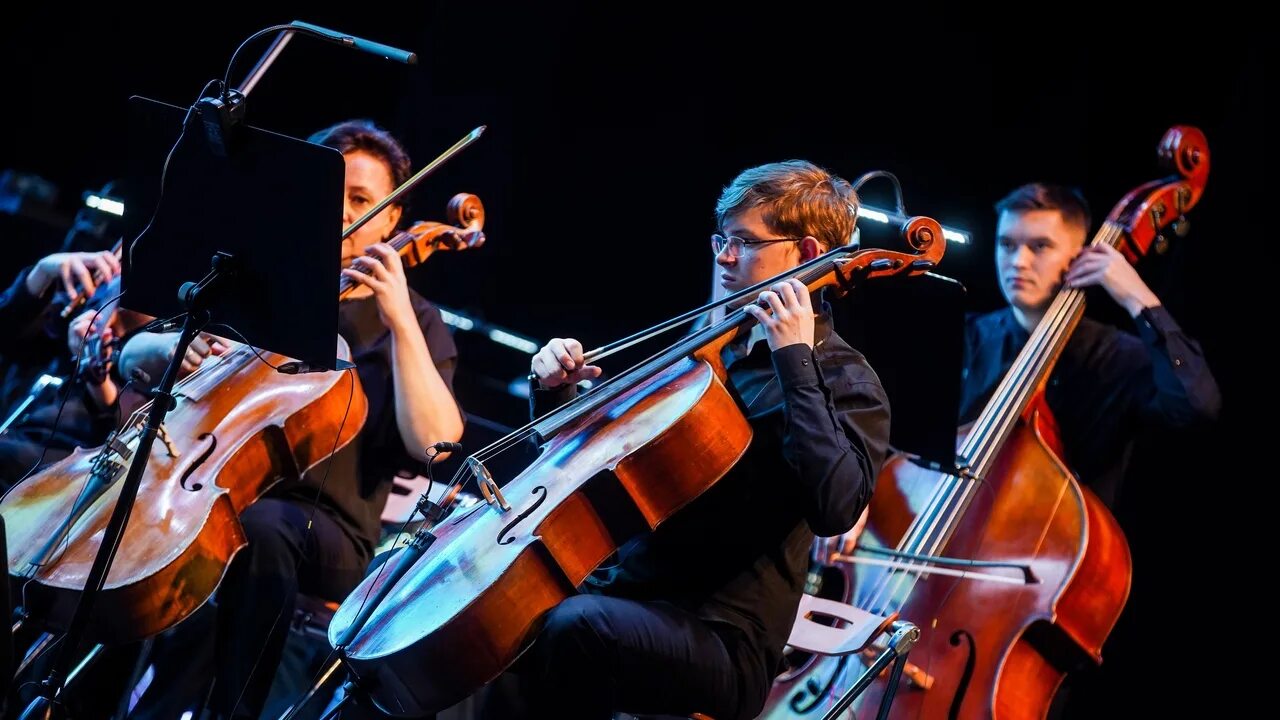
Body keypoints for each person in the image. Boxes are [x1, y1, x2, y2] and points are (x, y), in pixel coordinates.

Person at [487, 160, 891, 720]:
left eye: (745, 242)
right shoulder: (710, 349)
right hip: (632, 593)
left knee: (574, 628)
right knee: (498, 627)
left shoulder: (847, 380)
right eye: (721, 239)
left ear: (806, 253)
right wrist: (553, 394)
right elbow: (596, 464)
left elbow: (836, 507)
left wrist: (794, 360)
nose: (724, 256)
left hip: (721, 636)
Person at [125, 119, 464, 719]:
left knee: (258, 528)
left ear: (391, 219)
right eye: (330, 197)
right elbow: (138, 353)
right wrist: (166, 351)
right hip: (212, 487)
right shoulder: (262, 282)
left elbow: (436, 442)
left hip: (324, 526)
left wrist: (400, 318)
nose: (341, 214)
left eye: (361, 201)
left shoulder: (415, 320)